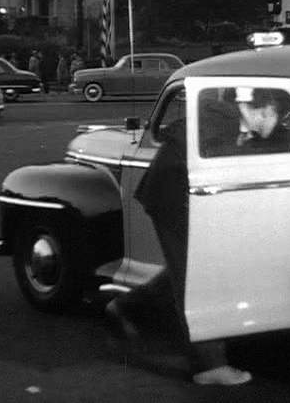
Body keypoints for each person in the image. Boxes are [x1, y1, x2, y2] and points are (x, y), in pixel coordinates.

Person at [104, 116, 252, 386]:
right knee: (195, 272)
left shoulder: (226, 114)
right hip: (173, 193)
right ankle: (208, 365)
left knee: (183, 268)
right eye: (273, 114)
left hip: (178, 189)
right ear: (258, 110)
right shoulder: (224, 120)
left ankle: (124, 307)